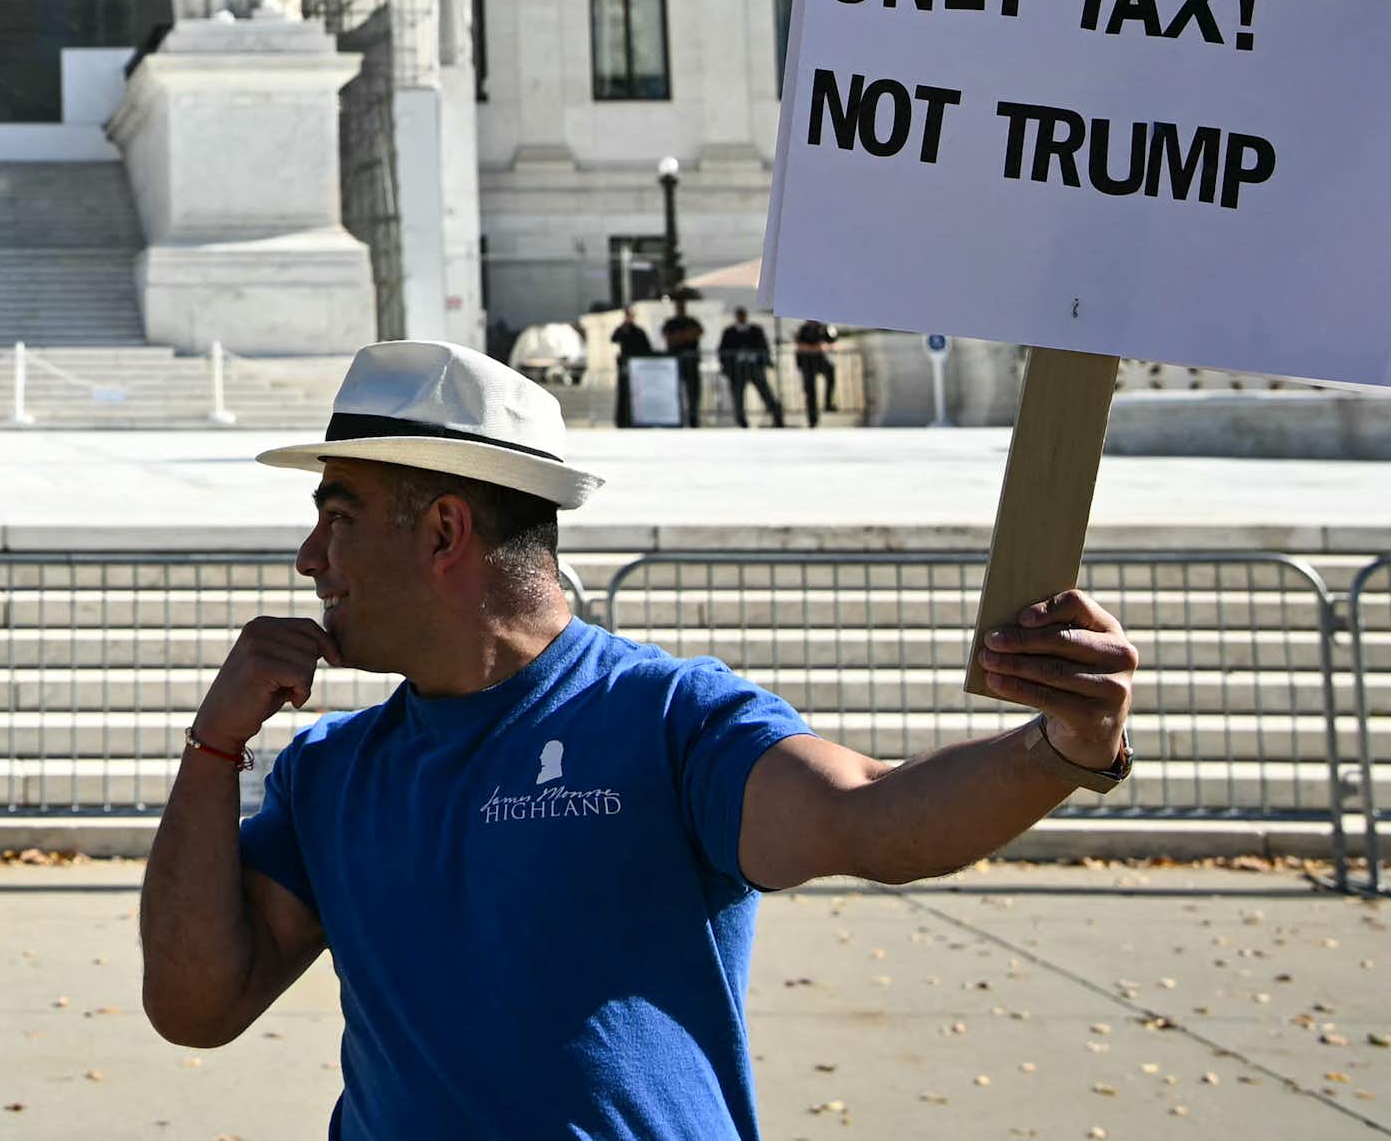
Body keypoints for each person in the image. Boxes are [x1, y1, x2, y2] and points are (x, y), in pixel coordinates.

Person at [140, 340, 1140, 1141]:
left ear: (445, 531)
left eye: (338, 516)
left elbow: (869, 817)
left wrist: (1056, 747)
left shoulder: (664, 718)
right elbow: (195, 1009)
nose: (310, 557)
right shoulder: (330, 770)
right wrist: (212, 748)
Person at [716, 305, 785, 427]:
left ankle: (777, 416)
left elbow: (763, 347)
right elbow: (723, 350)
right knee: (738, 397)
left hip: (754, 368)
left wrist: (760, 359)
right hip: (736, 370)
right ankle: (741, 420)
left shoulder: (756, 330)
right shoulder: (729, 332)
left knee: (766, 393)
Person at [661, 293, 706, 427]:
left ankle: (693, 417)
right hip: (676, 364)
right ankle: (677, 417)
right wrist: (685, 336)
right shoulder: (670, 323)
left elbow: (697, 333)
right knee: (675, 392)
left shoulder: (692, 321)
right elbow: (669, 338)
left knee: (693, 392)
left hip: (691, 363)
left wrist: (680, 337)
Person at [610, 304, 655, 427]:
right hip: (625, 366)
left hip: (637, 368)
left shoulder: (639, 331)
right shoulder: (622, 329)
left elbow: (647, 348)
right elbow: (614, 338)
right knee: (623, 392)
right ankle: (622, 420)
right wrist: (624, 326)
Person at [793, 318, 840, 427]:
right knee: (810, 392)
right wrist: (815, 348)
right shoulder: (803, 329)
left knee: (831, 377)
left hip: (821, 361)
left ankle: (828, 403)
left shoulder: (826, 328)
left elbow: (832, 343)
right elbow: (800, 346)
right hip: (807, 363)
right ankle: (812, 419)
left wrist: (818, 348)